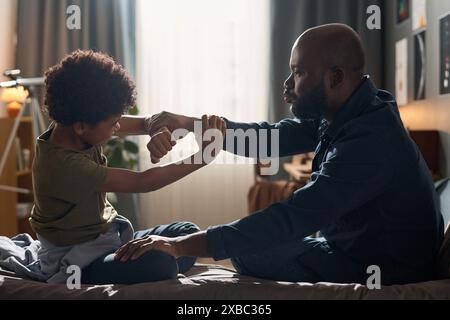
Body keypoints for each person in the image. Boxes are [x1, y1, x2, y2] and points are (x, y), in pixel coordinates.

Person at [115, 24, 444, 285]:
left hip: (384, 267)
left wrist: (181, 246)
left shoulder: (371, 139)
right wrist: (185, 124)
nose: (287, 84)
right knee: (248, 250)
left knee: (249, 249)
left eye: (298, 73)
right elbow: (267, 139)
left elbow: (296, 216)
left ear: (335, 78)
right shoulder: (351, 109)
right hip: (356, 247)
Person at [30, 50, 225, 284]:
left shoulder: (72, 125)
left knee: (187, 235)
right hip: (80, 258)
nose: (118, 127)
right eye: (113, 123)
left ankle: (150, 261)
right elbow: (144, 182)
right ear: (82, 126)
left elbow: (144, 122)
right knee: (160, 263)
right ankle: (122, 270)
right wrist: (203, 157)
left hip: (108, 238)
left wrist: (157, 127)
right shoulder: (65, 166)